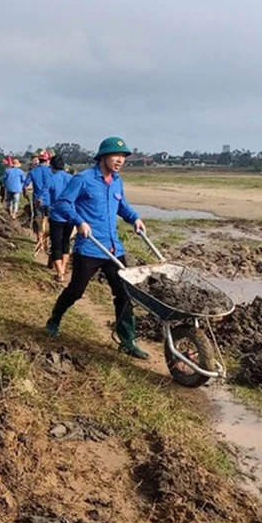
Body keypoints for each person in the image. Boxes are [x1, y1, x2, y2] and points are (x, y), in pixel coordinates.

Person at [45, 136, 149, 359]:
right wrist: (79, 221)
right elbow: (63, 203)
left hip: (113, 248)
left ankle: (128, 341)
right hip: (90, 247)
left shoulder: (117, 181)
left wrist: (135, 219)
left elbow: (122, 205)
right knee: (76, 291)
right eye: (115, 155)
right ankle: (55, 318)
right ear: (103, 156)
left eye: (123, 156)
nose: (120, 160)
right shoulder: (84, 179)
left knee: (123, 293)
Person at [47, 154, 74, 284]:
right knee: (66, 243)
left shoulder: (51, 179)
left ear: (52, 166)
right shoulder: (72, 179)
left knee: (56, 244)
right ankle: (63, 267)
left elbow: (45, 197)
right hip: (70, 216)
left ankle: (60, 273)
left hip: (56, 216)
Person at [26, 150, 52, 250]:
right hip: (49, 200)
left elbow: (25, 185)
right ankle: (47, 241)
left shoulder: (32, 171)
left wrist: (25, 194)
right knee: (49, 221)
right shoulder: (51, 172)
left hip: (37, 200)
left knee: (38, 220)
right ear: (47, 160)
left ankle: (39, 239)